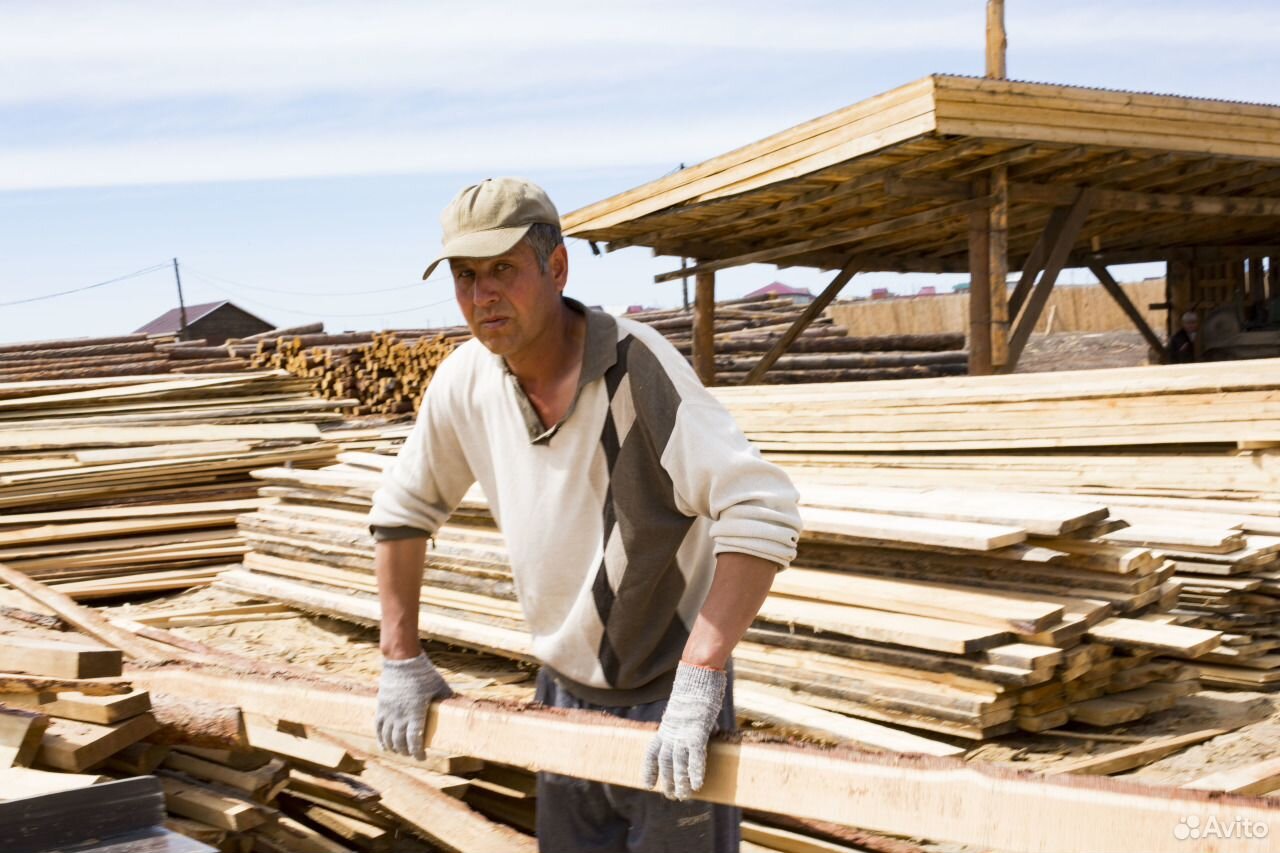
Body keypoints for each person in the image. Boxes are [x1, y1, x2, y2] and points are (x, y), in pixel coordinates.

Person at [367, 177, 802, 853]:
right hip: (561, 693)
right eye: (465, 276)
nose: (483, 296)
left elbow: (761, 504)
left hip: (668, 694)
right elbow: (402, 508)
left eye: (503, 270)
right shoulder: (466, 381)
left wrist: (702, 674)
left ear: (557, 267)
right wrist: (400, 656)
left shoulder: (636, 371)